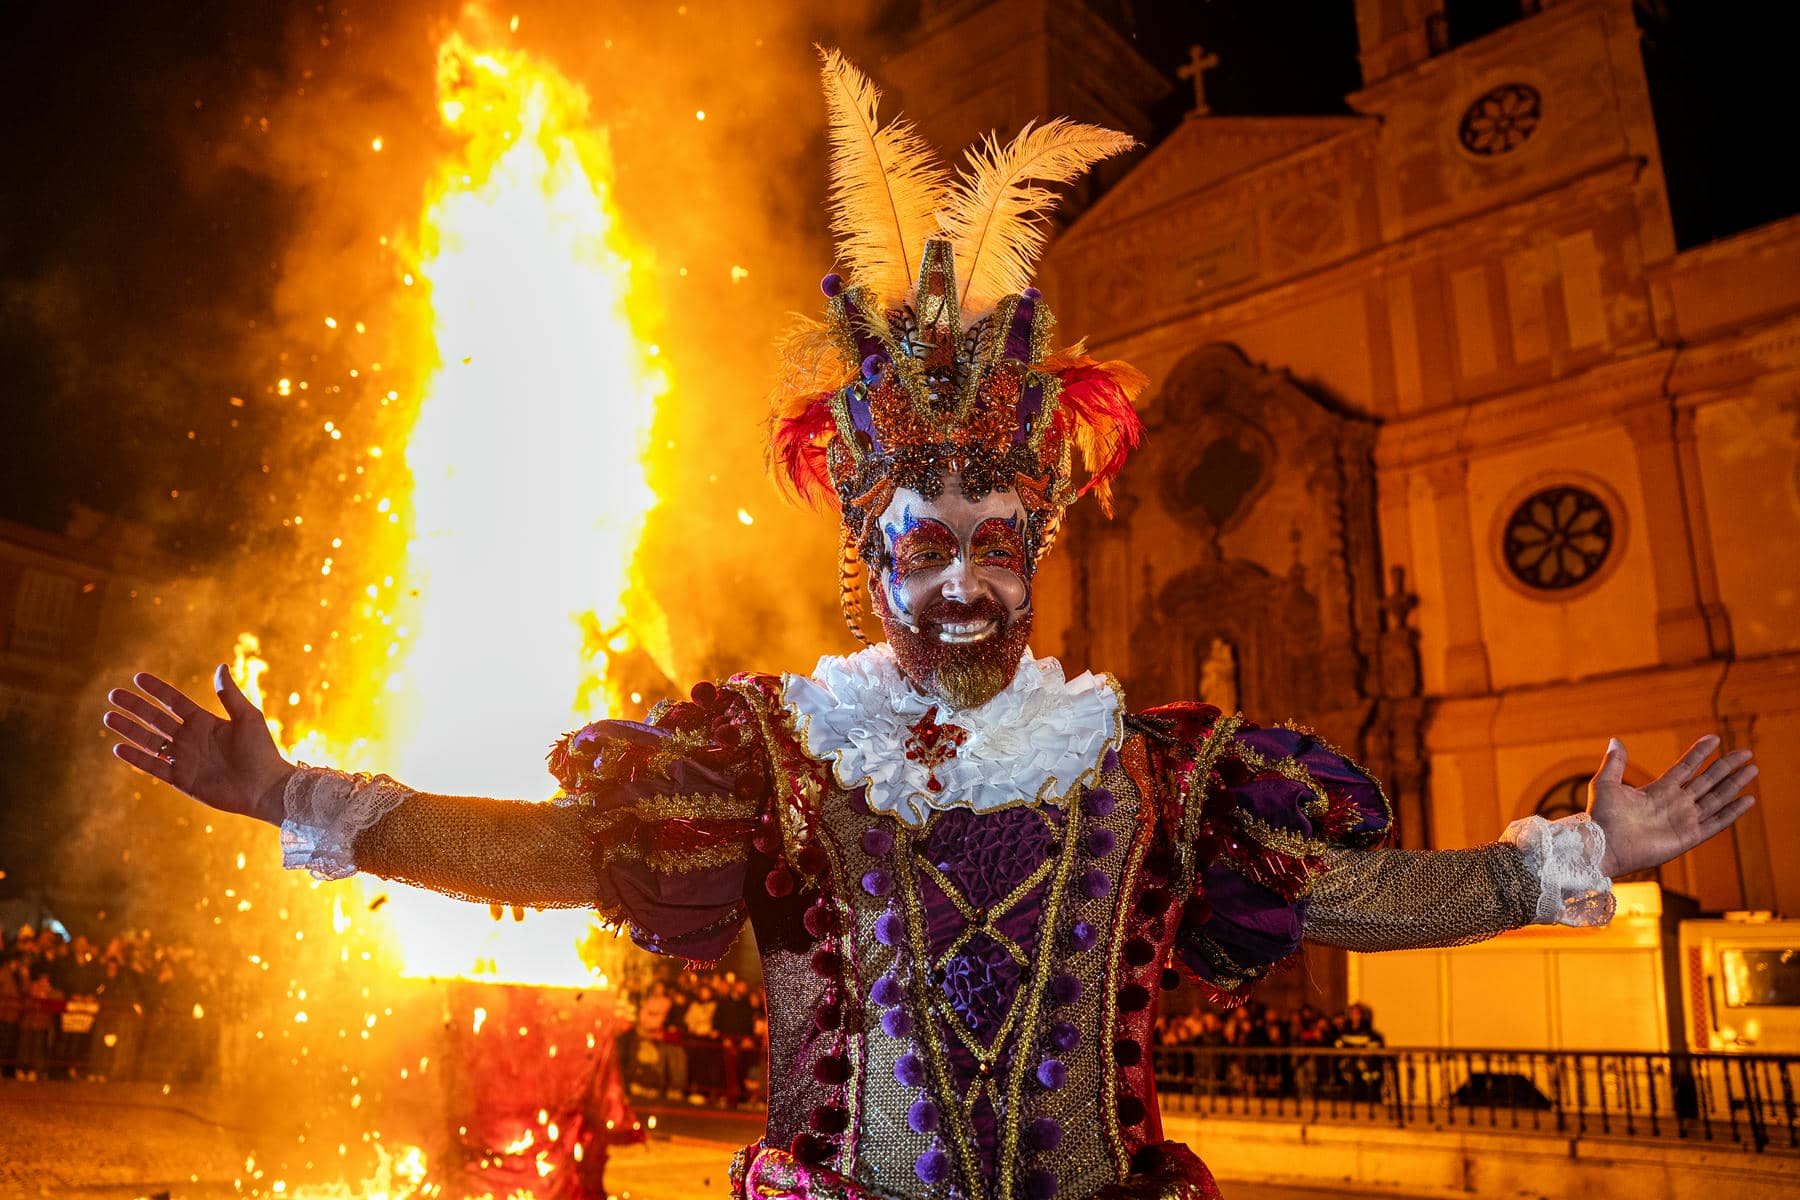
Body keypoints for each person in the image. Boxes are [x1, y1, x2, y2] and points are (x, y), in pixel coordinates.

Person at [101, 50, 1762, 1200]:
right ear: (872, 565)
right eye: (928, 546)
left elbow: (1352, 897)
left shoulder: (1137, 773)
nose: (965, 578)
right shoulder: (777, 763)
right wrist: (302, 800)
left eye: (995, 540)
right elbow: (554, 856)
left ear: (1032, 549)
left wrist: (1568, 859)